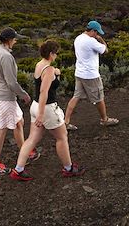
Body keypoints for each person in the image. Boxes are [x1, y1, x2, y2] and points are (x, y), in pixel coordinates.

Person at [10, 40, 85, 181]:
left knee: (32, 139)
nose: (57, 56)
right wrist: (41, 114)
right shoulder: (49, 70)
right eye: (56, 53)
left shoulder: (40, 65)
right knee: (62, 137)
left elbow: (44, 80)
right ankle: (68, 168)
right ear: (51, 53)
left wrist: (56, 72)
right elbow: (44, 92)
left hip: (35, 105)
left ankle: (18, 170)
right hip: (47, 108)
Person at [0, 27, 40, 176]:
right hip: (5, 97)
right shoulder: (6, 56)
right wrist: (24, 94)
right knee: (1, 130)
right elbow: (11, 82)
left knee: (19, 121)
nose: (16, 41)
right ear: (9, 40)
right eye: (15, 38)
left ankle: (25, 150)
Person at [64, 20, 119, 130]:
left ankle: (65, 122)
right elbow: (105, 50)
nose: (97, 35)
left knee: (76, 97)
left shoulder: (78, 38)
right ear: (93, 31)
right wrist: (101, 40)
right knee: (99, 97)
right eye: (97, 33)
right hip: (90, 75)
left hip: (79, 73)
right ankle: (105, 120)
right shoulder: (91, 41)